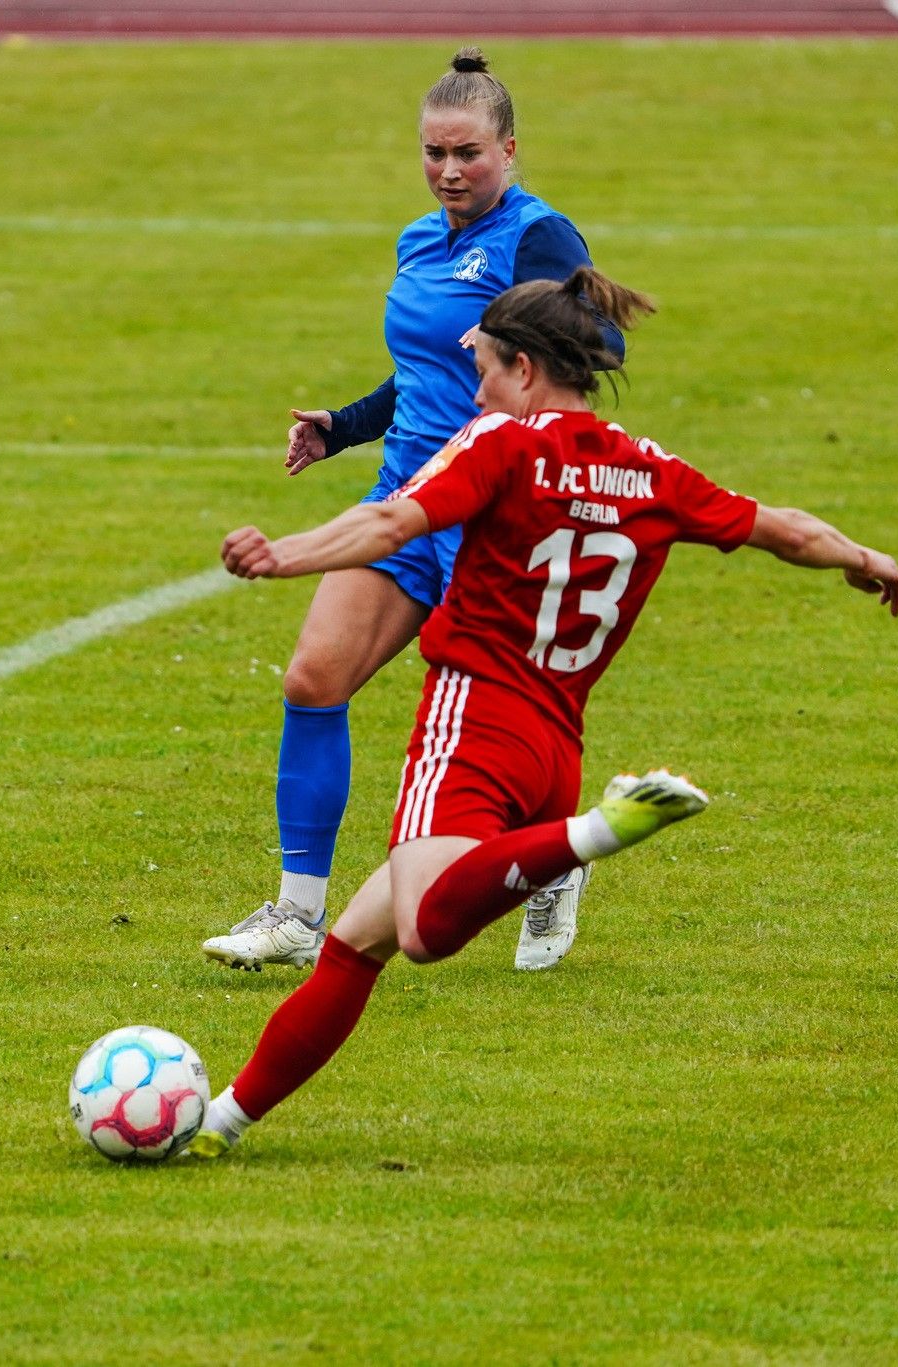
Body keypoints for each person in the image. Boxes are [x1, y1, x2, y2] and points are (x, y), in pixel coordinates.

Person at [186, 267, 898, 1158]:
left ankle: (594, 834)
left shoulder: (502, 442)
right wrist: (865, 556)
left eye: (485, 371)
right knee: (355, 943)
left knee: (420, 927)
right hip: (554, 742)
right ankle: (218, 1123)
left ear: (525, 369)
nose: (476, 394)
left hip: (473, 722)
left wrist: (285, 554)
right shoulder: (650, 469)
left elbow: (391, 523)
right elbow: (785, 527)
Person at [201, 48, 625, 977]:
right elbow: (424, 371)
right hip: (405, 499)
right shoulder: (417, 240)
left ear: (509, 150)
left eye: (468, 153)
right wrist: (342, 426)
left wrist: (516, 332)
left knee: (508, 731)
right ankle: (297, 913)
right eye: (434, 153)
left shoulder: (539, 237)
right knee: (314, 678)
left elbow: (604, 341)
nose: (449, 170)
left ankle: (556, 858)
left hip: (494, 517)